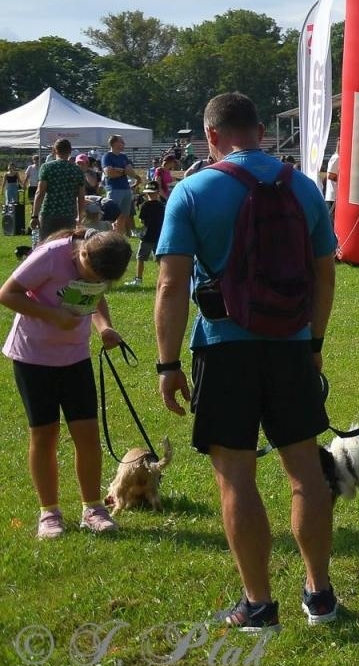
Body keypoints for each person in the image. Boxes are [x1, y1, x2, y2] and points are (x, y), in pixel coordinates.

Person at [154, 92, 338, 629]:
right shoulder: (302, 186)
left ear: (212, 136)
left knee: (235, 475)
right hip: (292, 345)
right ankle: (319, 595)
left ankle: (258, 604)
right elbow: (325, 274)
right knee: (305, 470)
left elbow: (170, 284)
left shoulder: (191, 190)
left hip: (223, 344)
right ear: (259, 131)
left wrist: (168, 365)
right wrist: (313, 342)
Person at [3, 229, 131, 538]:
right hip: (33, 357)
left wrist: (105, 328)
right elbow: (8, 293)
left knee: (87, 433)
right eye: (90, 274)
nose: (94, 281)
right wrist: (53, 316)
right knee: (45, 434)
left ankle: (93, 508)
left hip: (75, 357)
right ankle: (49, 513)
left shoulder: (99, 264)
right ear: (82, 254)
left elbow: (95, 298)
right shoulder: (51, 256)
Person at [33, 138, 86, 240]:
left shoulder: (46, 168)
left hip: (49, 213)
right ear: (70, 151)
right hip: (69, 214)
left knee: (45, 245)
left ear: (54, 150)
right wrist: (80, 217)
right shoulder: (77, 170)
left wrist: (34, 216)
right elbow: (81, 197)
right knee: (65, 247)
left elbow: (40, 193)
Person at [127, 183, 166, 287]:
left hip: (147, 237)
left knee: (140, 258)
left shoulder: (145, 205)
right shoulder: (161, 206)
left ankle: (138, 279)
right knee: (159, 259)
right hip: (159, 236)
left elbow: (142, 220)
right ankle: (164, 278)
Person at [101, 135, 135, 235]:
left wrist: (120, 171)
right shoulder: (107, 157)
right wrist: (124, 171)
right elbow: (109, 173)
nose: (123, 144)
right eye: (121, 142)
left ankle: (118, 236)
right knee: (111, 215)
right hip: (114, 189)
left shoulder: (124, 157)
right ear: (114, 143)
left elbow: (132, 173)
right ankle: (109, 236)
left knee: (123, 215)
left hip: (126, 189)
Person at [321, 151, 339, 219]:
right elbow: (330, 176)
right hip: (333, 197)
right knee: (331, 222)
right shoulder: (337, 157)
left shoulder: (337, 157)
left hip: (334, 197)